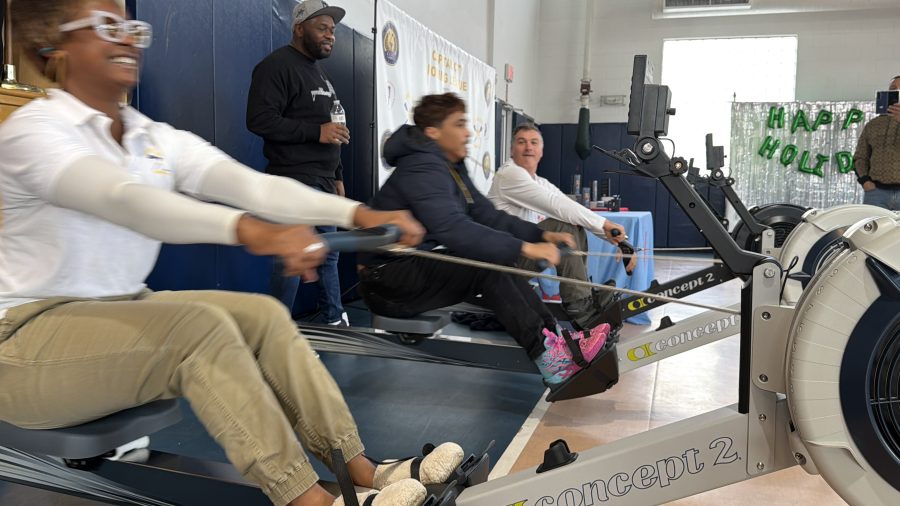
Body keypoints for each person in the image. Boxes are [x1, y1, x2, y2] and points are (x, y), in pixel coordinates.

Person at [0, 2, 464, 505]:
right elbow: (123, 201)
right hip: (23, 344)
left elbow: (254, 188)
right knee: (198, 329)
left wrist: (358, 213)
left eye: (131, 27)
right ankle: (308, 499)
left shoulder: (148, 136)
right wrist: (250, 230)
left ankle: (362, 470)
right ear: (54, 44)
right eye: (107, 27)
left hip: (117, 309)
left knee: (263, 316)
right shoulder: (36, 129)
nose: (128, 39)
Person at [358, 93, 613, 387]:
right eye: (459, 124)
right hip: (387, 283)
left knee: (495, 261)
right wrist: (526, 248)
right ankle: (550, 360)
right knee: (485, 267)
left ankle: (557, 340)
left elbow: (486, 215)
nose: (468, 132)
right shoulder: (421, 166)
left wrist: (541, 234)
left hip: (407, 268)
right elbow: (454, 229)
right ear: (433, 132)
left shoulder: (450, 166)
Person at [247, 0, 350, 326]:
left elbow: (332, 129)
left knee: (328, 253)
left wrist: (337, 175)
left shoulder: (319, 73)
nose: (330, 35)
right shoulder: (276, 66)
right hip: (293, 178)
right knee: (293, 257)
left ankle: (334, 319)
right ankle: (274, 329)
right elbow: (259, 120)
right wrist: (316, 132)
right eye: (322, 28)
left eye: (332, 30)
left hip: (323, 179)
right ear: (299, 29)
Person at [488, 123, 629, 330]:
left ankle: (582, 296)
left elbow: (567, 205)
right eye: (521, 142)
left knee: (573, 224)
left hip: (520, 254)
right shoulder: (509, 174)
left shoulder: (538, 181)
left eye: (534, 142)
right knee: (563, 227)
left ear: (541, 151)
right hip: (501, 263)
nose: (528, 147)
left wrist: (620, 241)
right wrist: (605, 224)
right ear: (511, 150)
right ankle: (580, 307)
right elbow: (557, 206)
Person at [854, 75, 900, 210]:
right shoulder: (873, 125)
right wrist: (865, 181)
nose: (897, 92)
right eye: (893, 89)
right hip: (876, 193)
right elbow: (860, 157)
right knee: (873, 224)